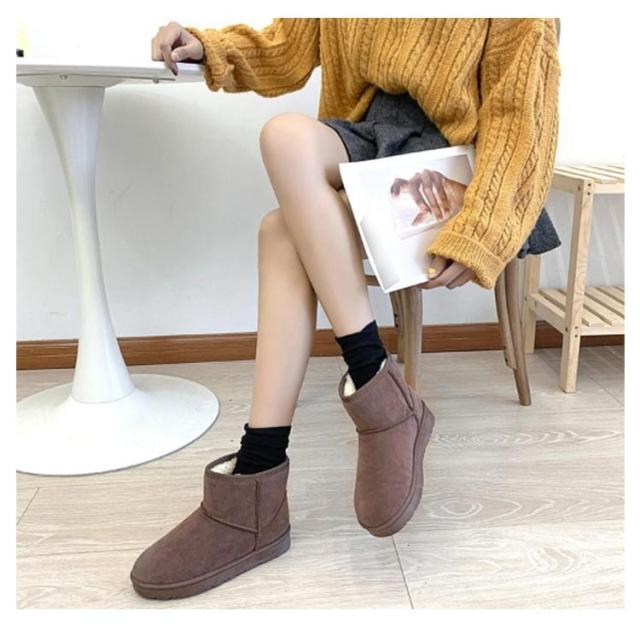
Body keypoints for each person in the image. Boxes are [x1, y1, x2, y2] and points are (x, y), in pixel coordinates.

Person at [129, 18, 561, 600]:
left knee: (281, 211)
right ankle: (359, 400)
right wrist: (208, 46)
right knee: (283, 170)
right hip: (370, 145)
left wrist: (482, 229)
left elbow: (521, 117)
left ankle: (260, 484)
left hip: (458, 172)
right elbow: (287, 48)